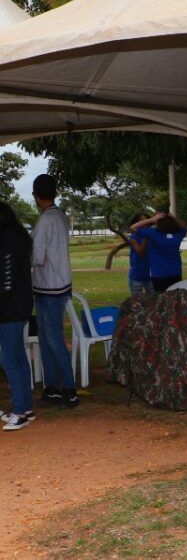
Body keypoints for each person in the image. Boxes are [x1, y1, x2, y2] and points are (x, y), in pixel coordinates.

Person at [30, 174, 77, 409]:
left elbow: (37, 257)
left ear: (36, 196)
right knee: (48, 338)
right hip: (59, 284)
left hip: (48, 286)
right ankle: (52, 387)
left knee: (52, 338)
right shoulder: (59, 216)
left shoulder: (44, 221)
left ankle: (68, 387)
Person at [0, 201, 35, 430]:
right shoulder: (15, 236)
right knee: (18, 357)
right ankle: (27, 408)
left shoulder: (8, 240)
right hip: (16, 306)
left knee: (9, 359)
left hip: (11, 308)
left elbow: (7, 281)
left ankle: (20, 411)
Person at [132, 211, 187, 292]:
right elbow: (185, 227)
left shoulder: (153, 233)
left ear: (158, 222)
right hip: (176, 273)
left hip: (159, 275)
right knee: (174, 300)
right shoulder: (178, 234)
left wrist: (152, 219)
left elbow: (133, 227)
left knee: (162, 301)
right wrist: (173, 218)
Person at [126, 213, 153, 297]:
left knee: (154, 302)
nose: (144, 223)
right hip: (137, 276)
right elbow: (141, 253)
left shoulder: (153, 236)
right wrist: (146, 237)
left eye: (146, 220)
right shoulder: (134, 237)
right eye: (141, 221)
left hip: (151, 276)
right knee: (137, 304)